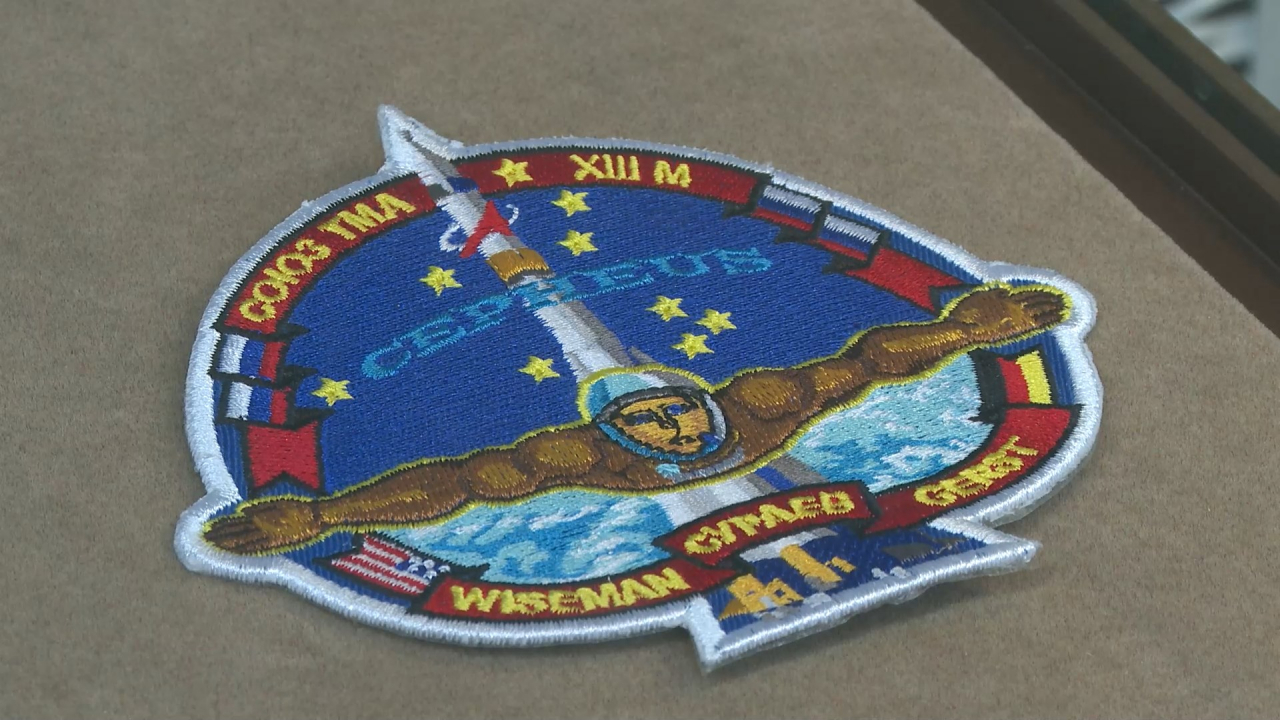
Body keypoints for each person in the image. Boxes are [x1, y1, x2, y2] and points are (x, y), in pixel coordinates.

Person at [205, 284, 1067, 554]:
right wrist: (322, 515)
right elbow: (459, 484)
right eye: (652, 422)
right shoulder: (575, 458)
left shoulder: (762, 407)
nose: (677, 429)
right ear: (616, 435)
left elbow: (869, 363)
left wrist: (965, 330)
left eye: (678, 410)